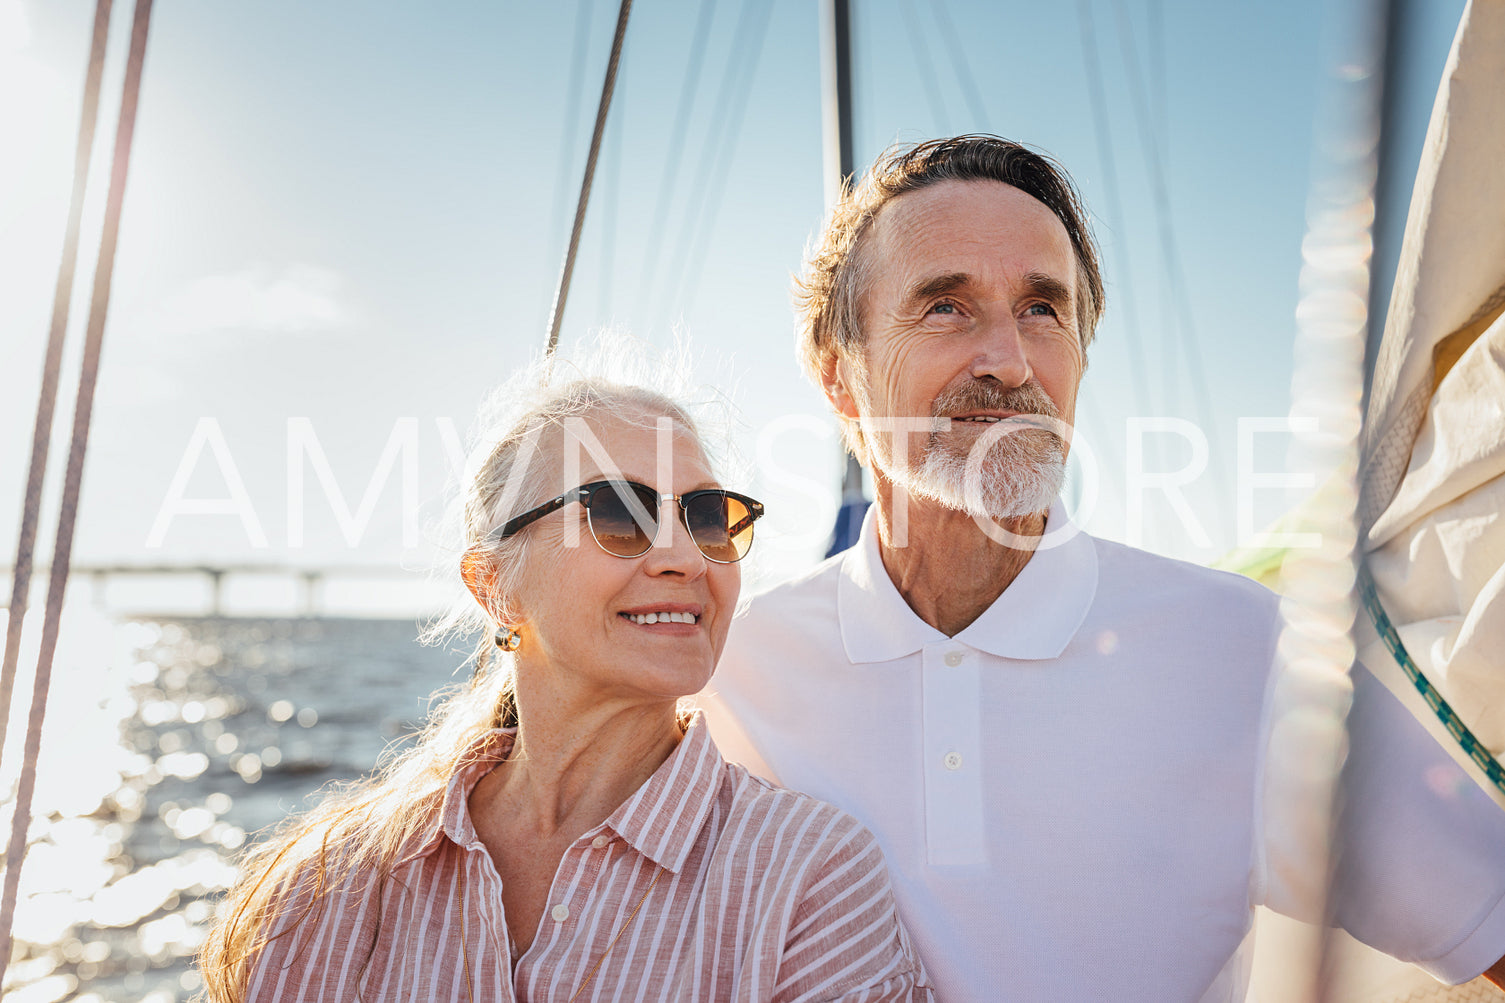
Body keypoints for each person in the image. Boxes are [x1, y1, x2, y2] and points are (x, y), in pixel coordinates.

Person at [699, 135, 1505, 1001]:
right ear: (839, 380)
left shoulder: (1241, 651)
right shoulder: (730, 678)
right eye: (944, 307)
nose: (1008, 362)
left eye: (1043, 309)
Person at [199, 370, 932, 1001]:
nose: (683, 554)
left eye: (708, 516)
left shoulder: (810, 879)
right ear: (495, 587)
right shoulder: (327, 890)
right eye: (617, 510)